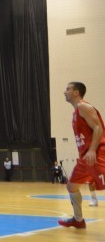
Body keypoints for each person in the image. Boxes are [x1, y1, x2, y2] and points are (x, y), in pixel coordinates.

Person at [58, 82, 105, 229]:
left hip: (96, 154)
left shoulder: (83, 106)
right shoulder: (76, 112)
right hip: (85, 158)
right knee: (72, 186)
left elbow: (98, 128)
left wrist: (92, 150)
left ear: (76, 92)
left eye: (68, 89)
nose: (64, 92)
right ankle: (78, 220)